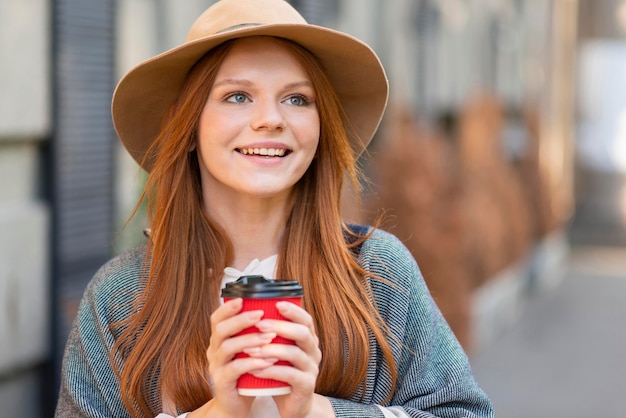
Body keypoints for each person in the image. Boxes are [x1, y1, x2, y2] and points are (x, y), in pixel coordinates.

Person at [55, 0, 494, 417]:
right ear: (184, 124)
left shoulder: (377, 273)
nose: (271, 118)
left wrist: (317, 410)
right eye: (238, 96)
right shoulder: (121, 299)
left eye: (297, 98)